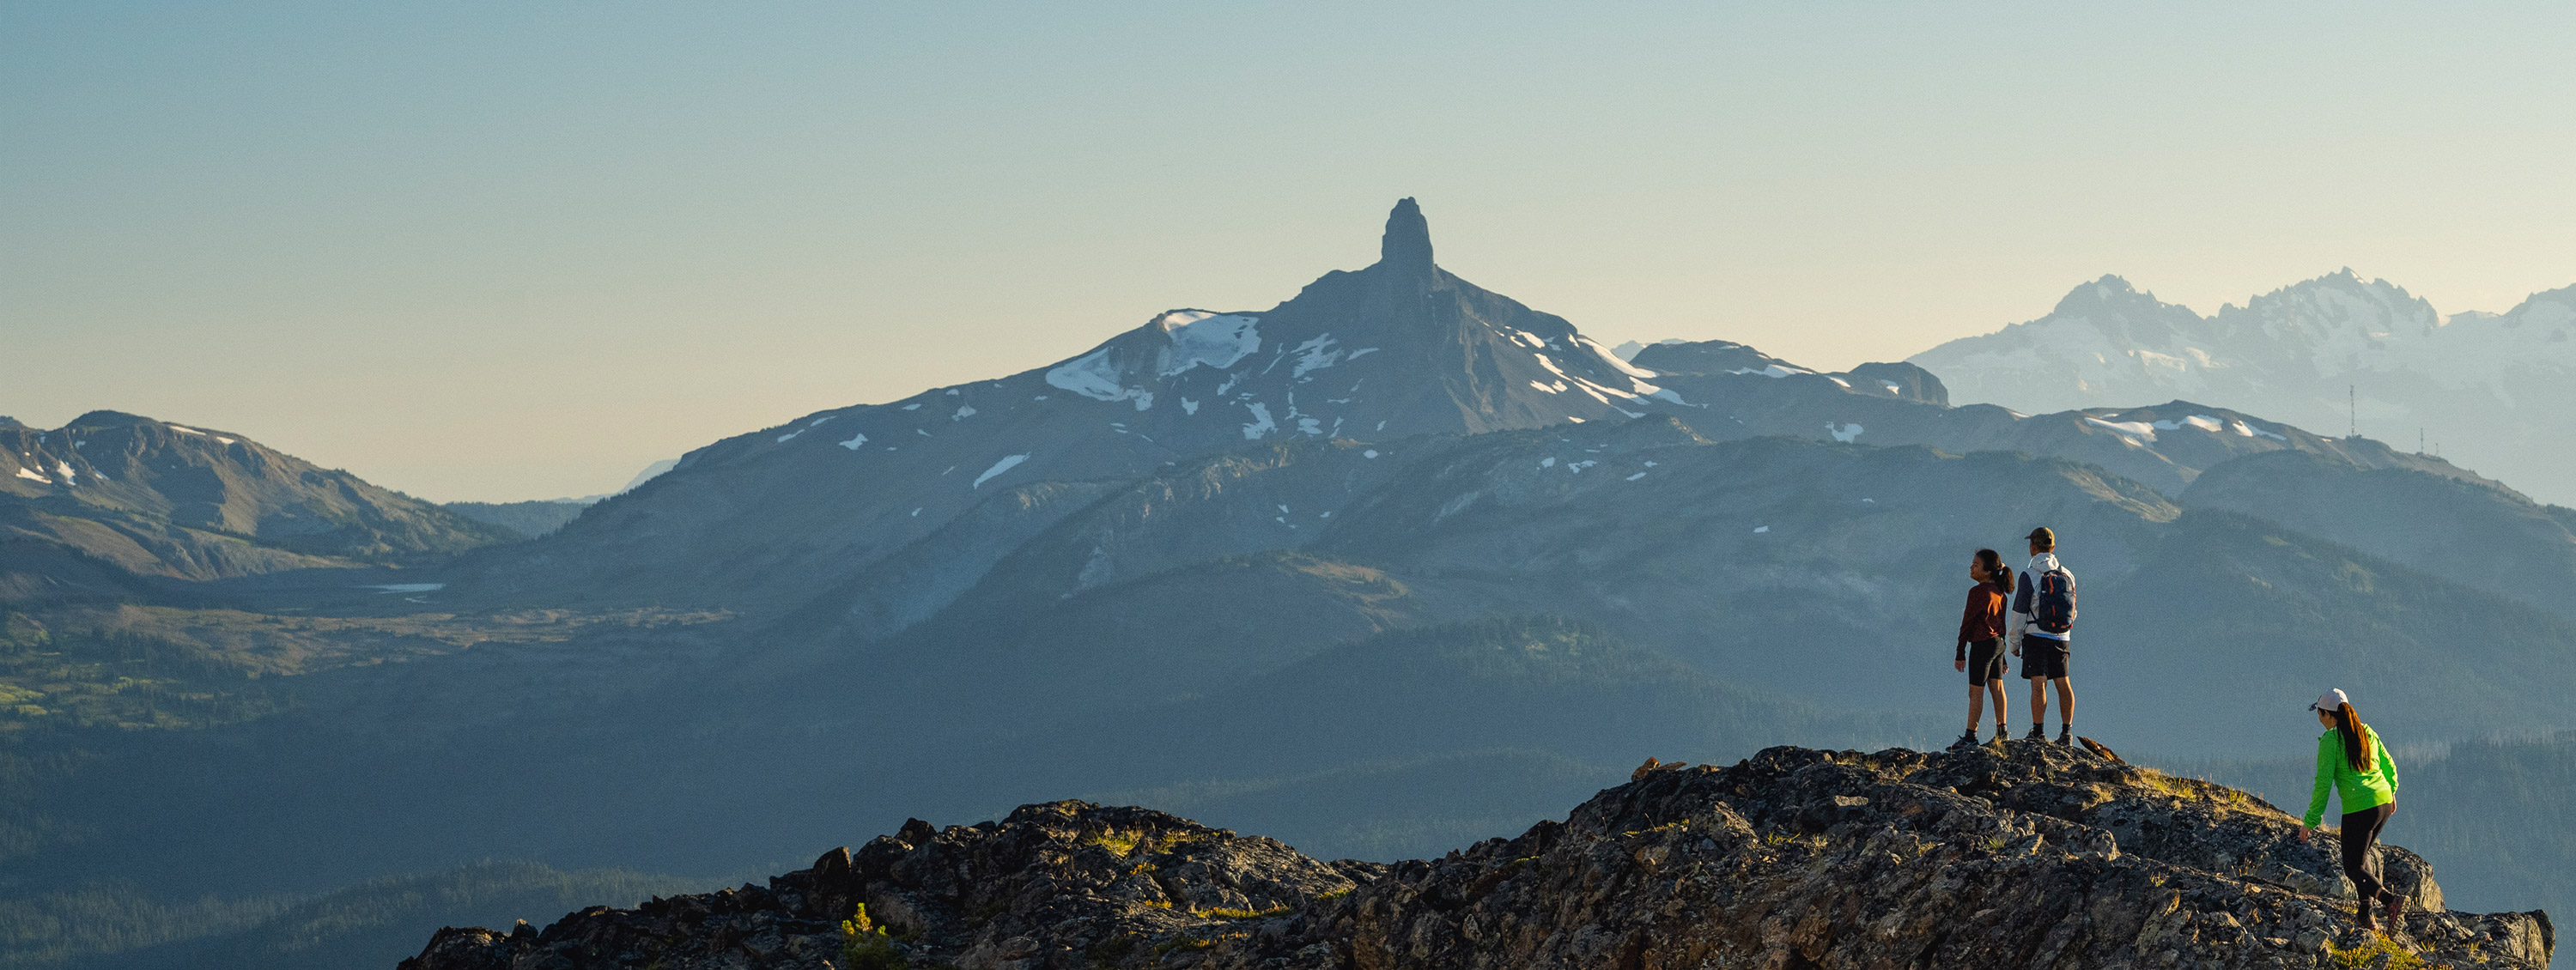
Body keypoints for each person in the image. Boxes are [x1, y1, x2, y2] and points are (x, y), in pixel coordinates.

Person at [2297, 688, 2403, 932]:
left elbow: (2322, 786)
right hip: (2384, 803)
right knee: (2361, 859)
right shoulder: (2366, 732)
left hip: (2360, 808)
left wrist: (2310, 822)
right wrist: (2392, 792)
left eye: (2320, 713)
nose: (2319, 719)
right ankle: (2365, 915)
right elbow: (2389, 765)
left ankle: (2390, 902)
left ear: (2327, 714)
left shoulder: (2331, 742)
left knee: (2353, 868)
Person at [2011, 526, 2076, 743]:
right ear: (2053, 547)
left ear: (2032, 547)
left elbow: (2019, 611)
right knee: (2063, 683)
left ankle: (2038, 732)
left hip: (2035, 636)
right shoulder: (2067, 574)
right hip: (2061, 636)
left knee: (2038, 684)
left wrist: (2014, 642)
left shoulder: (2029, 575)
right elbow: (2073, 609)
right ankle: (2066, 732)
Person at [1951, 549, 2012, 749]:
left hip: (1981, 645)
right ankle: (2002, 733)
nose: (1971, 567)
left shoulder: (1977, 593)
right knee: (1998, 687)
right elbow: (2002, 624)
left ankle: (1970, 737)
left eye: (1976, 564)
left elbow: (1966, 624)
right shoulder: (2000, 592)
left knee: (1975, 692)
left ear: (1987, 571)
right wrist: (2002, 655)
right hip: (1997, 644)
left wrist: (1960, 652)